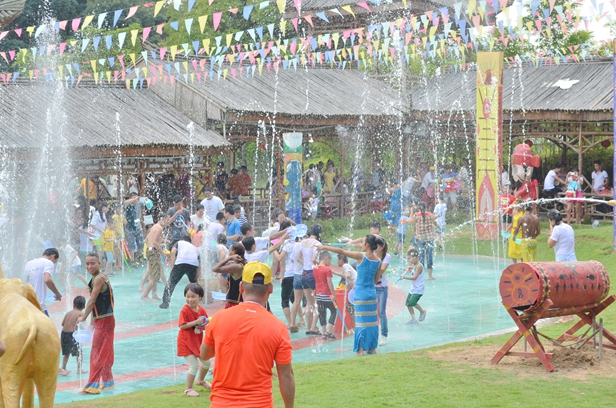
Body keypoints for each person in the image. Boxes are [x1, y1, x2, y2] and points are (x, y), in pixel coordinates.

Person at [201, 261, 295, 408]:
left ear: (241, 286)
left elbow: (204, 354)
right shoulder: (278, 328)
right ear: (270, 289)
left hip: (222, 403)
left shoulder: (219, 318)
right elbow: (286, 375)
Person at [319, 235, 383, 356]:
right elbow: (376, 280)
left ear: (367, 245)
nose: (361, 244)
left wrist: (325, 247)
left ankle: (360, 349)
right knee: (372, 321)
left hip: (360, 293)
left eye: (363, 242)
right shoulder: (378, 261)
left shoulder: (361, 257)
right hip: (371, 293)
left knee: (360, 322)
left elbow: (341, 251)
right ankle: (372, 347)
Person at [79, 253, 115, 395]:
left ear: (99, 263)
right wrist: (92, 322)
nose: (89, 266)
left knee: (97, 352)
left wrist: (83, 317)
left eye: (92, 263)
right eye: (87, 263)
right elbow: (97, 304)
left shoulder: (99, 278)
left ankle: (92, 386)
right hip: (105, 319)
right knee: (105, 352)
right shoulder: (97, 278)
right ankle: (107, 382)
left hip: (105, 321)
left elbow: (92, 300)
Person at [178, 283, 211, 397]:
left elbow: (206, 324)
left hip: (196, 343)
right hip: (185, 343)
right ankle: (188, 389)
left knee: (207, 362)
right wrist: (196, 322)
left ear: (200, 297)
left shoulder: (202, 310)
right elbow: (182, 326)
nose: (190, 299)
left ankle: (200, 380)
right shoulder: (185, 310)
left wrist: (205, 326)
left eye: (193, 297)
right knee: (194, 365)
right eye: (187, 296)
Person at [160, 236, 201, 309]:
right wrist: (198, 275)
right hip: (193, 265)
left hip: (181, 263)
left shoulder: (179, 242)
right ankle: (198, 302)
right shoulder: (195, 248)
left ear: (183, 240)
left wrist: (173, 266)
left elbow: (173, 252)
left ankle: (165, 304)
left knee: (171, 283)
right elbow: (199, 264)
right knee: (194, 284)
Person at [296, 224, 323, 335]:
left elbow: (298, 258)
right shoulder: (317, 244)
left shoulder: (303, 242)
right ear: (319, 233)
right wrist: (319, 264)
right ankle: (313, 327)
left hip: (304, 273)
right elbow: (313, 259)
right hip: (313, 273)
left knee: (309, 302)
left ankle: (308, 327)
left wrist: (306, 264)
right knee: (318, 302)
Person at [23, 248, 62, 316]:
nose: (53, 264)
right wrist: (57, 293)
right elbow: (47, 279)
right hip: (38, 306)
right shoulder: (48, 263)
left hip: (26, 305)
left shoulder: (28, 264)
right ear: (53, 256)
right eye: (54, 262)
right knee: (47, 323)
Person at [408, 202, 437, 280]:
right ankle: (430, 275)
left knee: (421, 256)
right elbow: (434, 220)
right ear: (425, 207)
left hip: (420, 238)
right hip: (430, 238)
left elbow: (409, 221)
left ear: (418, 208)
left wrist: (411, 212)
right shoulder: (430, 215)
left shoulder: (416, 215)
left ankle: (421, 275)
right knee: (429, 256)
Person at [212, 243, 247, 308]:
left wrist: (229, 258)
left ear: (234, 252)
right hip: (239, 301)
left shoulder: (236, 267)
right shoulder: (242, 264)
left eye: (229, 250)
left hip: (234, 303)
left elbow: (215, 269)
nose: (228, 252)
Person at [59, 295, 86, 376]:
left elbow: (62, 324)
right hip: (72, 334)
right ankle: (79, 369)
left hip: (64, 334)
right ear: (84, 306)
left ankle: (63, 368)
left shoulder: (68, 313)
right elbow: (82, 326)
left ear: (73, 304)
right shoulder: (81, 314)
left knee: (66, 353)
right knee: (79, 352)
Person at [313, 251, 337, 339]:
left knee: (322, 313)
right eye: (330, 261)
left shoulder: (315, 269)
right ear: (327, 259)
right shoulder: (327, 269)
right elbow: (329, 283)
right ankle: (328, 331)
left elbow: (316, 282)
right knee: (334, 311)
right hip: (326, 294)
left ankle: (324, 333)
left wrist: (315, 293)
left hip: (318, 294)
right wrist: (333, 294)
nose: (330, 263)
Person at [401, 248, 426, 324]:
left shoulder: (418, 266)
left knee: (412, 302)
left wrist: (404, 277)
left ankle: (422, 311)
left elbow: (415, 277)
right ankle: (414, 319)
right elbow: (414, 269)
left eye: (411, 259)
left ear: (417, 258)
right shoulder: (415, 265)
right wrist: (410, 268)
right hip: (413, 288)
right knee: (408, 304)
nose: (409, 260)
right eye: (408, 259)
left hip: (418, 289)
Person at [142, 217, 165, 302]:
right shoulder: (159, 228)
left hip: (150, 251)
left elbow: (146, 240)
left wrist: (150, 247)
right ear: (163, 219)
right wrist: (162, 253)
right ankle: (145, 295)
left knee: (153, 274)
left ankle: (154, 295)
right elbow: (155, 242)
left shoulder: (154, 227)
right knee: (154, 276)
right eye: (167, 220)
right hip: (153, 252)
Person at [124, 192, 147, 264]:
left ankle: (140, 257)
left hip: (138, 227)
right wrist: (134, 199)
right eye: (134, 198)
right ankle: (132, 261)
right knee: (131, 246)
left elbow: (146, 201)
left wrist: (144, 199)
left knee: (141, 243)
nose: (136, 200)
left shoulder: (139, 204)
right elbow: (124, 202)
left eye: (136, 198)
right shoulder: (128, 205)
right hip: (129, 228)